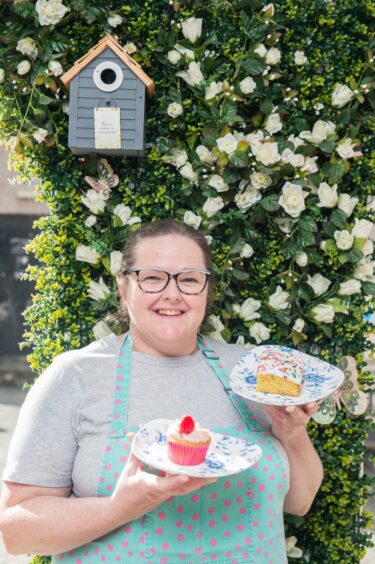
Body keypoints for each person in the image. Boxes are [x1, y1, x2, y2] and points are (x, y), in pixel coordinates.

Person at [0, 219, 323, 563]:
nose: (172, 293)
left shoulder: (249, 372)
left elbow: (298, 502)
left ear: (207, 291)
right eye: (152, 278)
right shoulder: (76, 375)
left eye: (189, 279)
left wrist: (292, 435)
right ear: (124, 288)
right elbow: (17, 531)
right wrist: (119, 508)